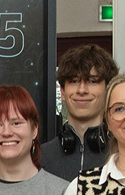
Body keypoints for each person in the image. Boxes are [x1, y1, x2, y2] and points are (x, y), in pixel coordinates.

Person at [41, 45, 119, 181]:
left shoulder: (122, 152)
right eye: (74, 81)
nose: (82, 90)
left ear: (108, 90)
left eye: (92, 81)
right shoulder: (40, 157)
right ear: (63, 92)